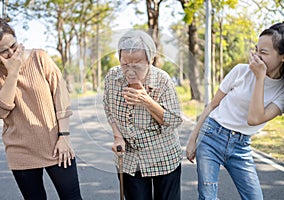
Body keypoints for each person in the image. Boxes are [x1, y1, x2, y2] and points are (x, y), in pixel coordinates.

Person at [0, 17, 82, 200]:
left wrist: (64, 136)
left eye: (14, 46)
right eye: (4, 52)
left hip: (56, 145)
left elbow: (61, 96)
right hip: (20, 151)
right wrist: (13, 73)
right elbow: (0, 111)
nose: (12, 54)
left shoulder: (40, 57)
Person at [186, 22, 284, 200]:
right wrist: (192, 140)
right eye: (256, 50)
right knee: (207, 197)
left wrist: (260, 77)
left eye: (263, 52)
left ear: (282, 57)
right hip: (210, 136)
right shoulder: (240, 71)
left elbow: (254, 119)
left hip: (241, 146)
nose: (256, 56)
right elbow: (212, 105)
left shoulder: (281, 91)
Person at [103, 30, 184, 200]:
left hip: (163, 155)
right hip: (130, 158)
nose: (130, 70)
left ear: (150, 60)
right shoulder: (113, 77)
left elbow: (174, 120)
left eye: (137, 64)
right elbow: (108, 108)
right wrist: (118, 136)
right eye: (125, 64)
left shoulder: (162, 80)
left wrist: (147, 101)